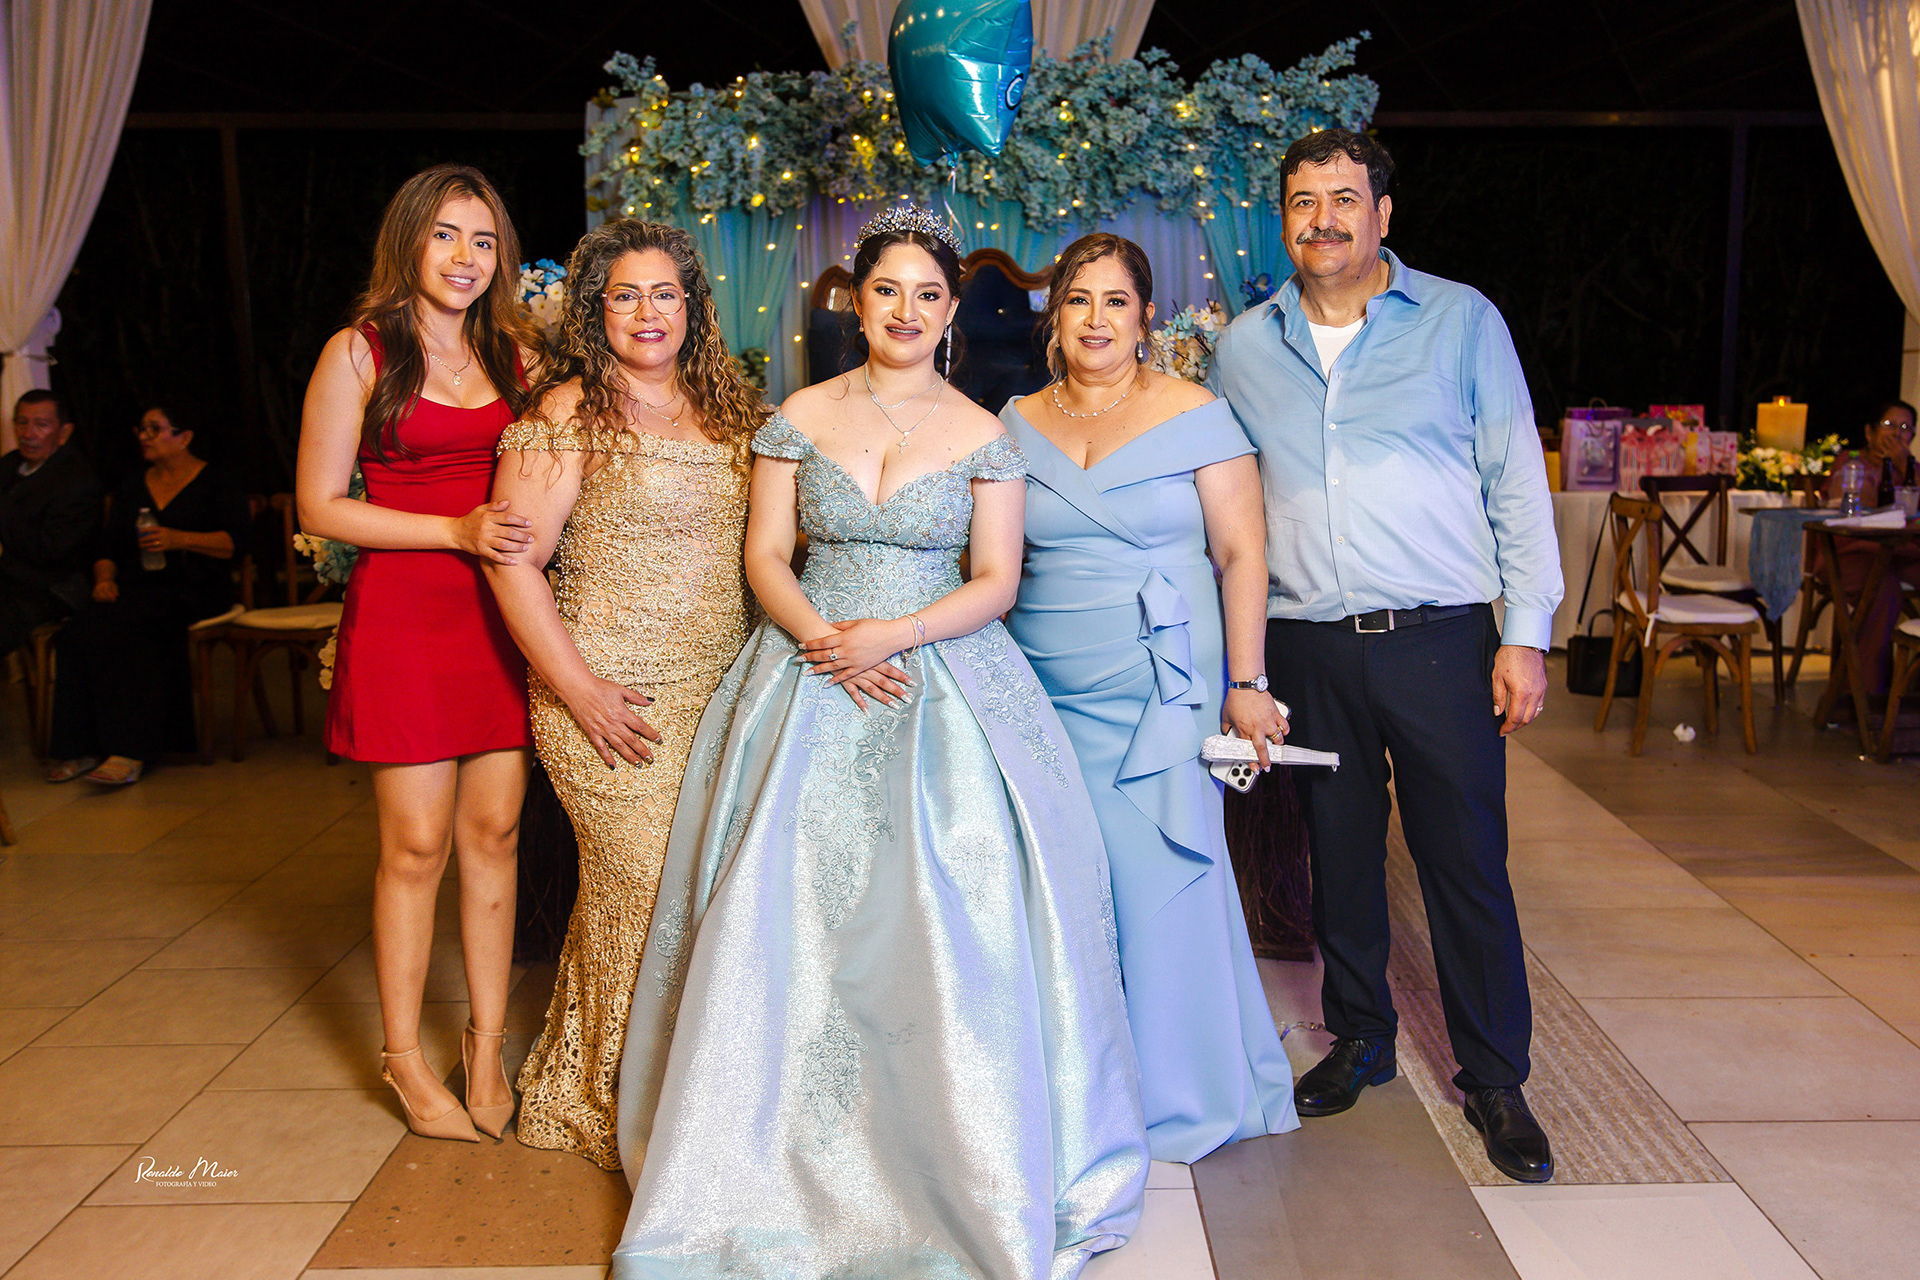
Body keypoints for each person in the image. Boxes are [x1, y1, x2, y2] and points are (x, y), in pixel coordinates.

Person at [609, 208, 1148, 1278]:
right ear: (857, 303)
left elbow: (996, 580)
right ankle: (759, 1167)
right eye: (887, 289)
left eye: (928, 294)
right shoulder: (796, 417)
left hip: (943, 671)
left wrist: (891, 635)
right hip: (806, 670)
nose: (906, 310)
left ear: (950, 313)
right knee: (787, 911)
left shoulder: (986, 432)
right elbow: (768, 554)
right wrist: (826, 639)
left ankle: (960, 1163)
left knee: (955, 914)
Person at [1208, 129, 1563, 1184]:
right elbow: (1225, 508)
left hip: (1441, 639)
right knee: (1339, 851)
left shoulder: (1461, 321)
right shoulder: (1243, 348)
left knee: (1464, 858)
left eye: (1345, 198)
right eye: (1303, 200)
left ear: (1383, 215)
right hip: (1307, 642)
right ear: (1282, 218)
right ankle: (1361, 1034)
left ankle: (1495, 1076)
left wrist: (1525, 632)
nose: (1324, 218)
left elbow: (1515, 479)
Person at [1001, 232, 1298, 1163]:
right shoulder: (1013, 422)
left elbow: (1241, 554)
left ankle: (1180, 1088)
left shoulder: (1197, 413)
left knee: (1163, 873)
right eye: (1078, 300)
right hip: (1044, 681)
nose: (1095, 319)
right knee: (1063, 884)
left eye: (1115, 301)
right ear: (1055, 316)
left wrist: (1246, 684)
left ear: (1146, 317)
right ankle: (1076, 1090)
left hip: (1161, 680)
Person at [484, 219, 765, 1168]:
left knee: (707, 894)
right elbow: (513, 563)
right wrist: (582, 691)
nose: (648, 313)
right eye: (626, 296)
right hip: (605, 701)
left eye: (665, 294)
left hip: (718, 699)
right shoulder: (566, 413)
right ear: (595, 312)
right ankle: (620, 1104)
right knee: (644, 888)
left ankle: (691, 1095)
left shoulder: (731, 411)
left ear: (693, 307)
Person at [295, 164, 538, 1144]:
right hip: (404, 615)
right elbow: (320, 505)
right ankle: (401, 1053)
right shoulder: (359, 351)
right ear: (408, 241)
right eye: (446, 235)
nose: (465, 257)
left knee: (496, 834)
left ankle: (486, 1042)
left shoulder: (517, 356)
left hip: (499, 617)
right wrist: (453, 530)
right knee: (414, 845)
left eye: (483, 240)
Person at [45, 406, 249, 785]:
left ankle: (131, 750)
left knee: (133, 626)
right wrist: (104, 579)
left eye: (155, 429)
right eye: (141, 429)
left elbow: (235, 543)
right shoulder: (133, 486)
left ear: (184, 437)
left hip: (197, 586)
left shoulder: (216, 482)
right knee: (77, 632)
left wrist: (179, 538)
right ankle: (79, 747)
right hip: (137, 586)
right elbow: (107, 546)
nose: (144, 437)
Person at [1818, 398, 1919, 695]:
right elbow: (1848, 507)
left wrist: (1904, 465)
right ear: (1870, 432)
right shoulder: (1851, 463)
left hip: (1901, 553)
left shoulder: (1912, 469)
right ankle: (1862, 697)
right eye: (1889, 425)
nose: (1897, 434)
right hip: (1850, 552)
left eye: (1905, 428)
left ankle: (1912, 687)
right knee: (1883, 590)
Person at [0, 391, 101, 653]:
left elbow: (49, 551)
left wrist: (4, 509)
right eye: (21, 422)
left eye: (41, 425)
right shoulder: (10, 464)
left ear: (64, 432)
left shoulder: (77, 480)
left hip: (51, 587)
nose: (28, 434)